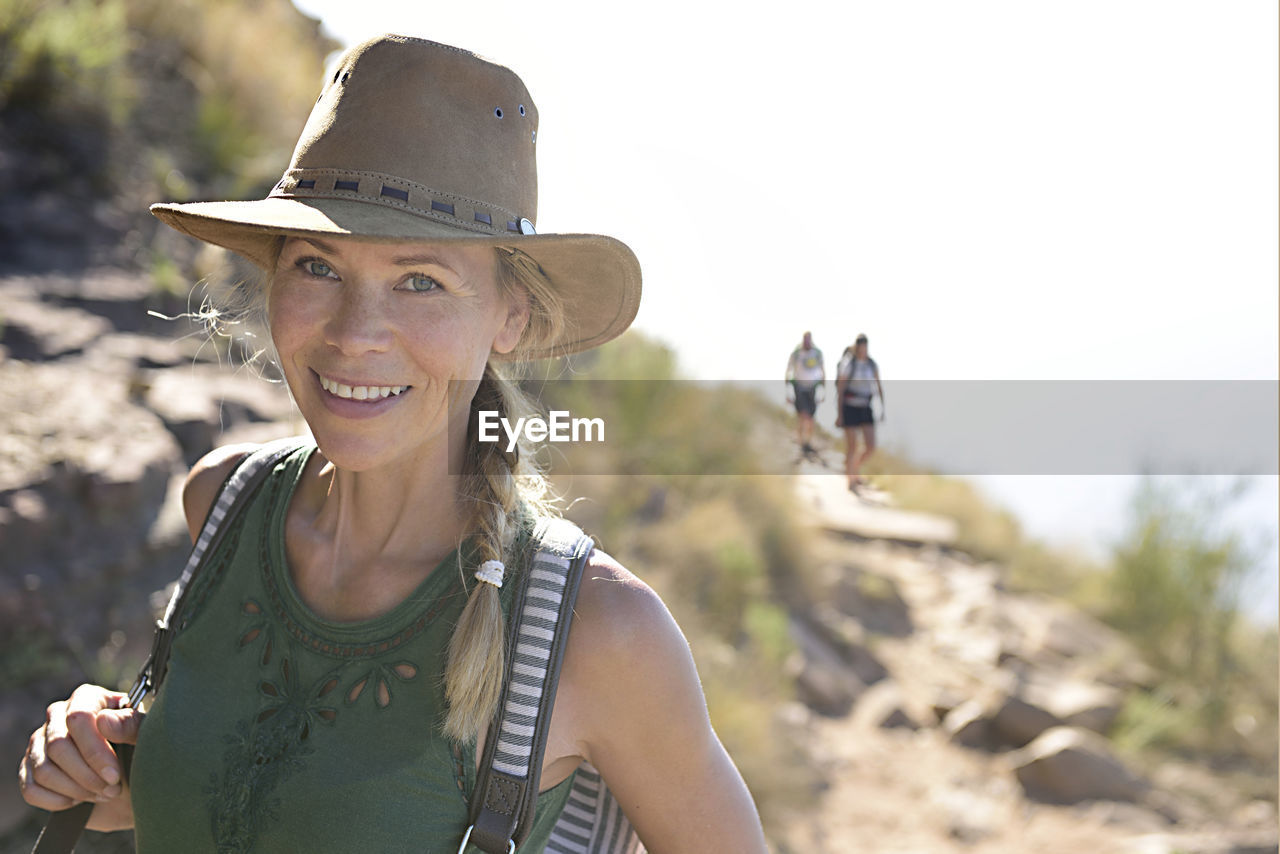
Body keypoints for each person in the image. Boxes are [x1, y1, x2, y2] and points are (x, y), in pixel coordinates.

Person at [17, 35, 768, 853]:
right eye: (317, 267)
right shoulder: (223, 504)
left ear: (510, 318)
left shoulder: (601, 634)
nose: (355, 334)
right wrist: (103, 770)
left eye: (421, 281)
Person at [835, 333, 885, 491]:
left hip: (865, 405)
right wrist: (840, 413)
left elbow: (878, 385)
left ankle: (853, 469)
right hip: (849, 406)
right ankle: (851, 480)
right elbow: (841, 389)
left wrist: (882, 407)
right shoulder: (849, 363)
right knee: (852, 445)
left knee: (870, 446)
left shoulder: (871, 364)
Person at [785, 331, 825, 455]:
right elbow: (788, 370)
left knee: (810, 417)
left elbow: (823, 371)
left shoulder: (817, 354)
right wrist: (788, 391)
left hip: (812, 388)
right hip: (799, 387)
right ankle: (802, 442)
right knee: (803, 415)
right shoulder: (796, 353)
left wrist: (823, 390)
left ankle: (807, 441)